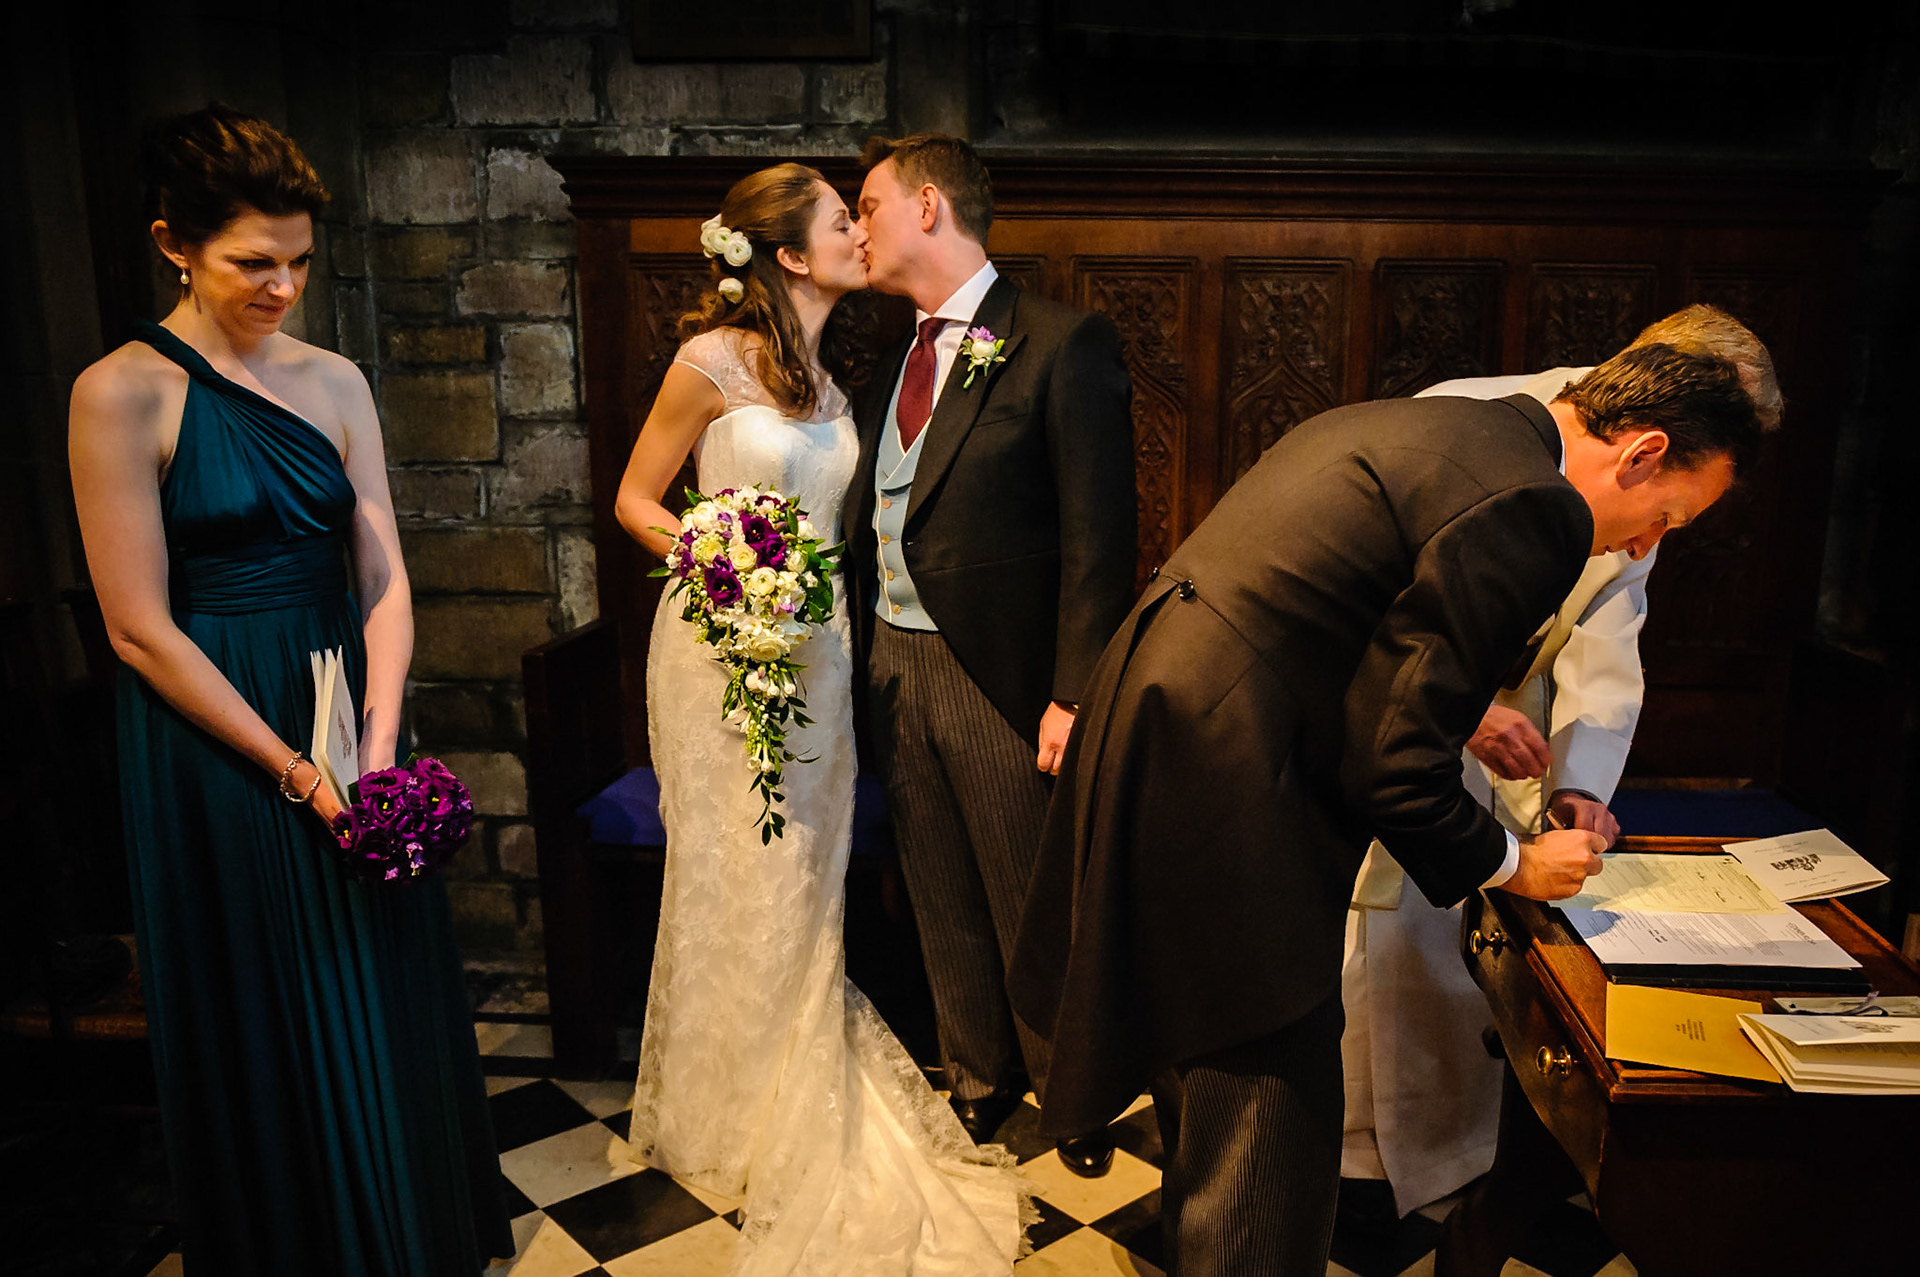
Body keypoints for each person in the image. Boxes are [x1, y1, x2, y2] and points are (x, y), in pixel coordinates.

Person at [1010, 341, 1767, 1275]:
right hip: (1229, 778)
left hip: (1164, 728)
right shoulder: (1533, 503)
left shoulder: (1443, 425)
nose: (1643, 545)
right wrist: (1513, 862)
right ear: (1642, 451)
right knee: (1265, 1131)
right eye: (1664, 518)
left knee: (1202, 1090)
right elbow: (1395, 762)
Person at [67, 106, 511, 1275]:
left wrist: (374, 743)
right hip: (217, 734)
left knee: (377, 978)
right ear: (174, 243)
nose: (282, 286)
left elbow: (383, 573)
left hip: (346, 706)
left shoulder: (337, 380)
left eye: (299, 262)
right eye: (251, 263)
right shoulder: (120, 392)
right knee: (273, 996)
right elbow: (137, 627)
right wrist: (299, 772)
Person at [614, 162, 1030, 1275]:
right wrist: (723, 563)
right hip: (722, 648)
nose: (861, 232)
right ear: (790, 254)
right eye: (842, 221)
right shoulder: (707, 364)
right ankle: (733, 1108)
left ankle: (780, 1082)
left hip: (827, 651)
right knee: (737, 865)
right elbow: (636, 500)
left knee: (809, 870)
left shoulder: (842, 379)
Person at [1338, 306, 1784, 1222]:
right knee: (1375, 940)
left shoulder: (1652, 484)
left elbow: (1609, 640)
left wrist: (1581, 784)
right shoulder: (1474, 419)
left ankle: (1458, 1160)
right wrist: (1463, 712)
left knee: (1469, 956)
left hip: (1508, 723)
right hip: (1399, 716)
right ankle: (1351, 1163)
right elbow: (1371, 600)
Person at [844, 133, 1138, 1176]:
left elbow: (1099, 540)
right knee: (938, 886)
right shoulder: (891, 364)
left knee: (1028, 894)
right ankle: (978, 1076)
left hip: (999, 674)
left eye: (869, 206)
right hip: (892, 663)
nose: (857, 227)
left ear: (928, 205)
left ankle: (1075, 1092)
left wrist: (1072, 694)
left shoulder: (1061, 343)